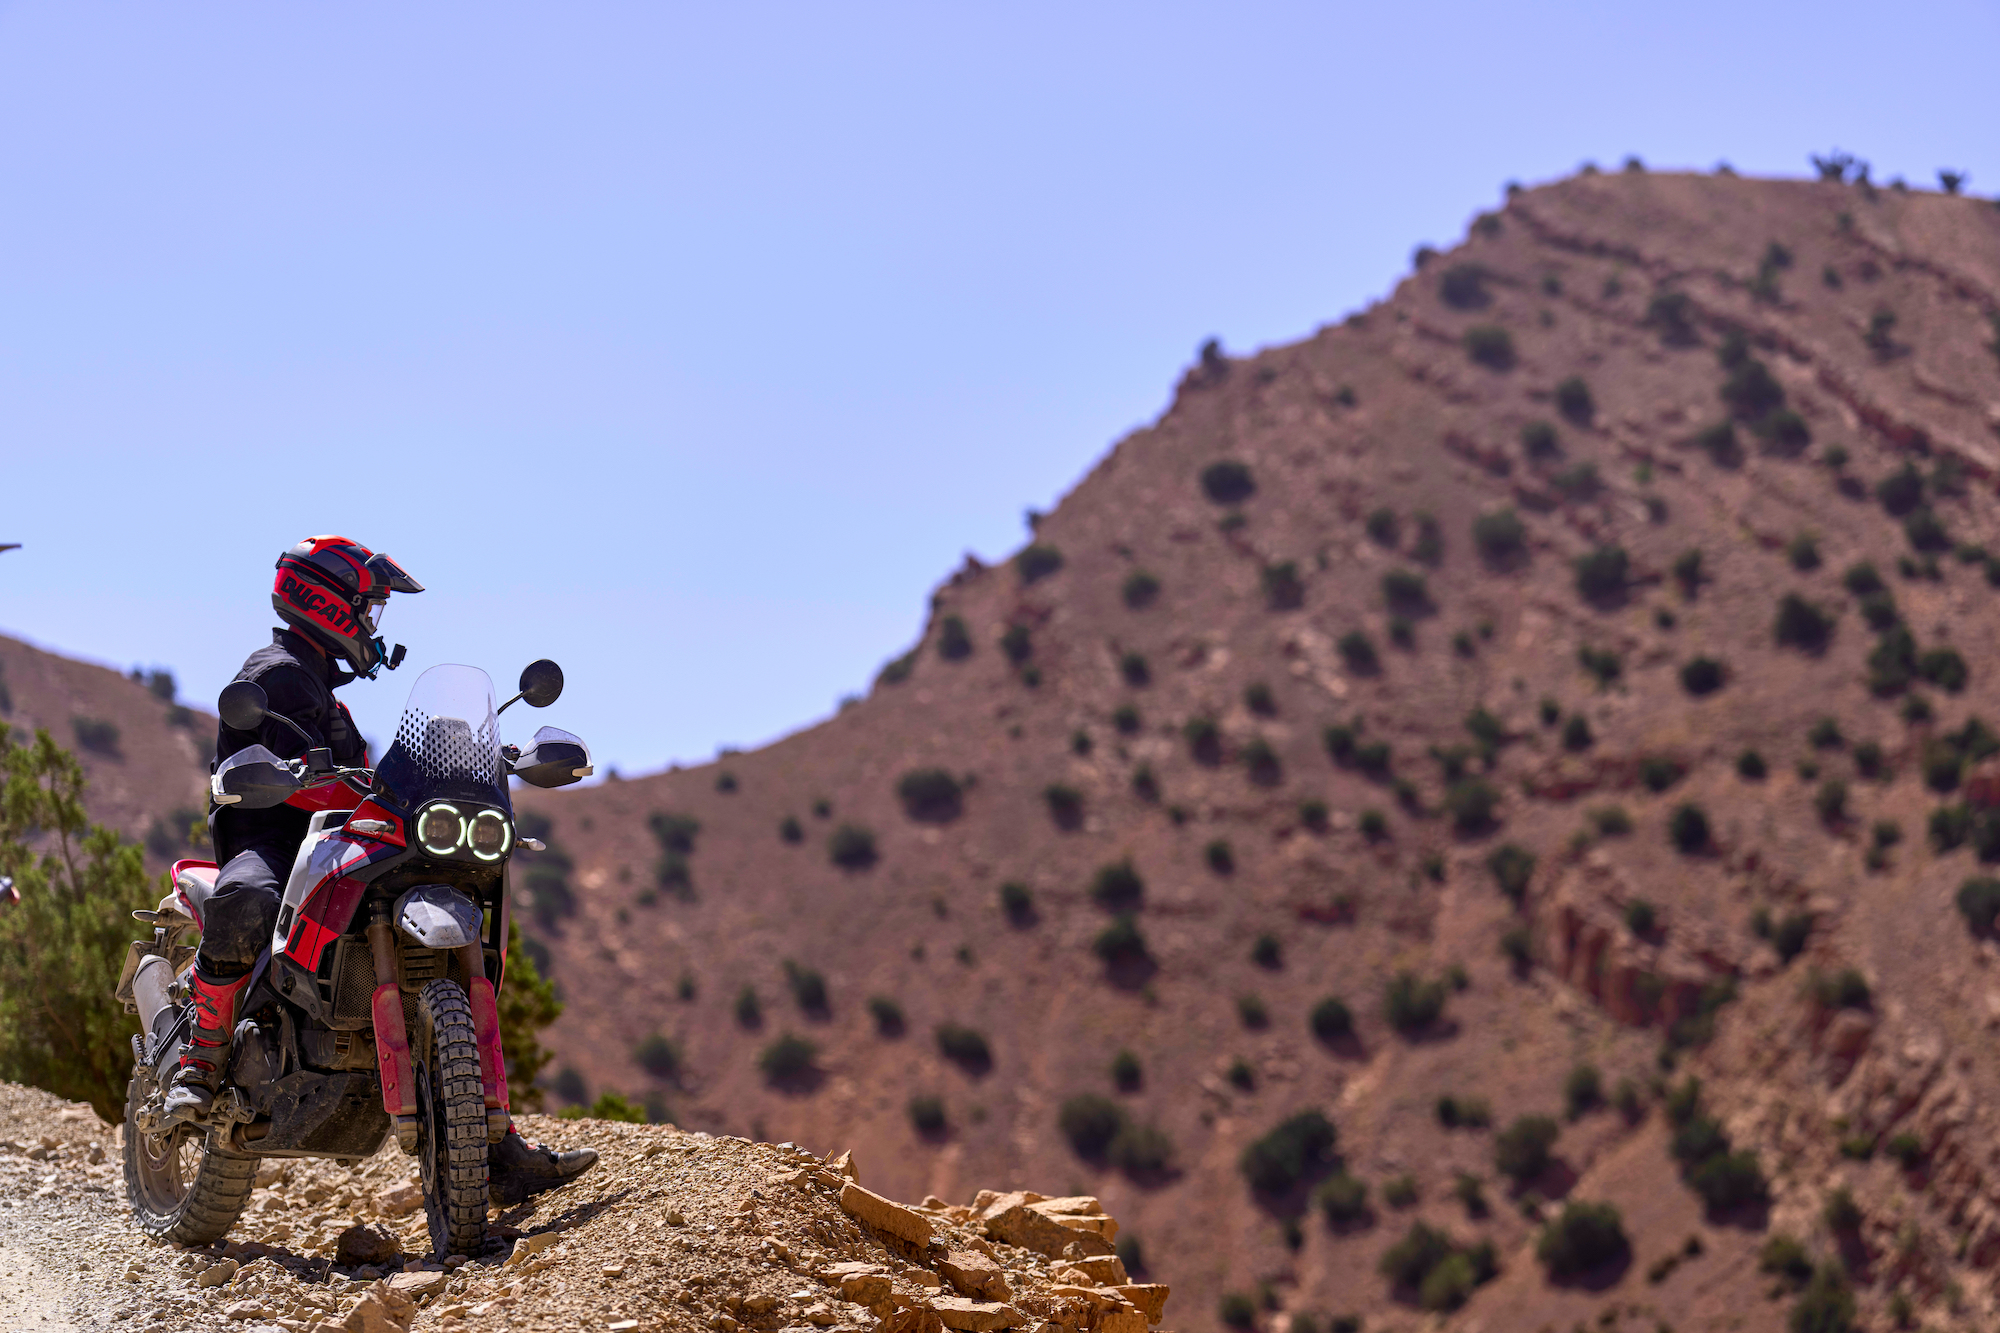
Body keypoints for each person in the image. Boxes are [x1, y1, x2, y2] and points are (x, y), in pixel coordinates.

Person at [164, 535, 596, 1202]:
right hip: (275, 839)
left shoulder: (327, 697)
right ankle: (200, 1057)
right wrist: (305, 777)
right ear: (323, 598)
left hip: (333, 840)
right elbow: (282, 770)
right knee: (247, 894)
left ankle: (492, 1139)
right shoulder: (274, 674)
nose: (373, 624)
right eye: (369, 607)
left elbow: (370, 775)